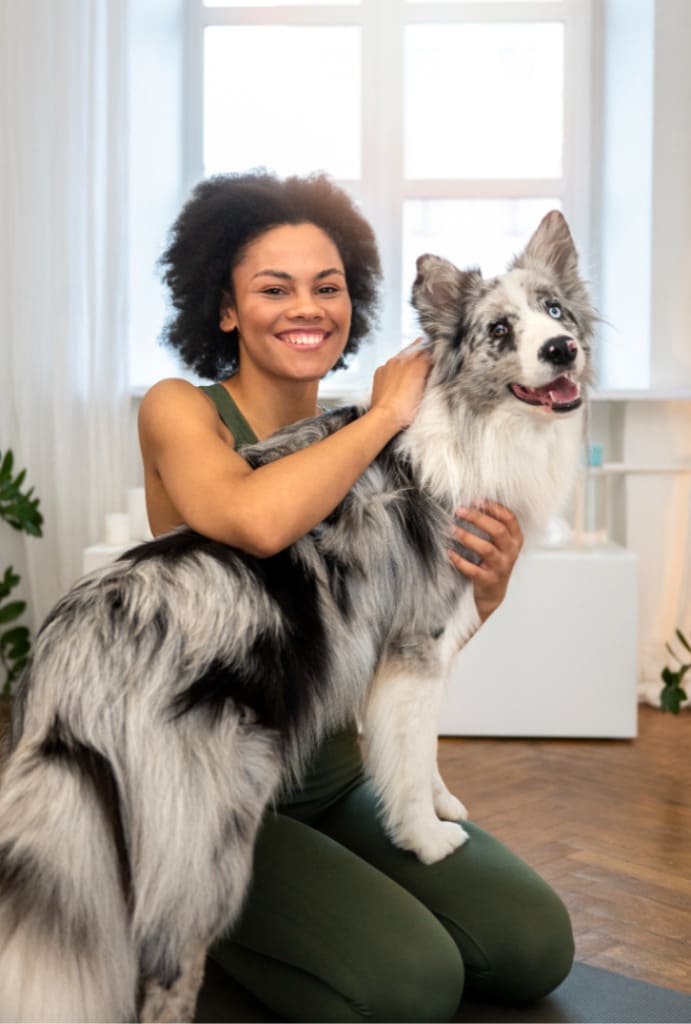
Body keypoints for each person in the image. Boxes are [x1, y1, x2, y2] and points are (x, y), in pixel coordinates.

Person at [138, 171, 574, 1022]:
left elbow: (397, 647)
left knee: (532, 946)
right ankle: (199, 911)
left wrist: (483, 592)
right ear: (223, 308)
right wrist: (382, 418)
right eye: (274, 287)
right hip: (224, 793)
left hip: (338, 775)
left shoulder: (367, 435)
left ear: (352, 306)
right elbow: (253, 519)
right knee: (410, 986)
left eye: (327, 287)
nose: (307, 307)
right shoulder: (181, 410)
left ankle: (305, 914)